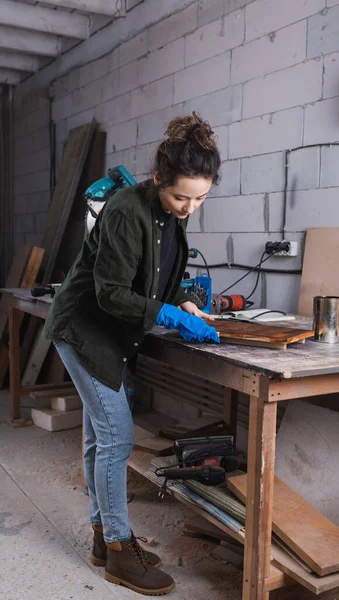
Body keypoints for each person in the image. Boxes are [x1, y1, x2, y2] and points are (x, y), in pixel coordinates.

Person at [42, 112, 221, 595]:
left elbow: (161, 271)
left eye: (200, 198)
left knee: (100, 438)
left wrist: (184, 301)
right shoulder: (125, 209)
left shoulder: (167, 216)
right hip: (84, 327)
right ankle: (120, 550)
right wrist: (169, 316)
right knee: (116, 437)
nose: (188, 207)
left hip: (110, 332)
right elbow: (112, 294)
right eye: (181, 196)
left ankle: (105, 540)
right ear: (159, 178)